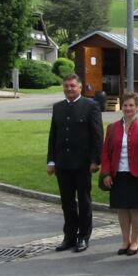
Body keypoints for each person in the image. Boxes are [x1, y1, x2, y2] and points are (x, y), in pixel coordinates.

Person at [47, 74, 103, 253]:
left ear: (80, 87)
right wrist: (51, 160)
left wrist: (95, 160)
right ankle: (69, 236)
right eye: (66, 86)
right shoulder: (58, 107)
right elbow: (53, 135)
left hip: (83, 163)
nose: (69, 89)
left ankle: (84, 236)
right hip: (62, 162)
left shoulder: (90, 106)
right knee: (67, 202)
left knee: (84, 201)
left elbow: (97, 135)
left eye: (72, 86)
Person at [100, 92, 138, 256]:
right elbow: (105, 153)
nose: (128, 108)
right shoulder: (112, 128)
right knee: (122, 208)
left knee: (136, 209)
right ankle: (125, 240)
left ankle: (135, 240)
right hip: (118, 174)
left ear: (137, 108)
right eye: (125, 105)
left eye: (131, 105)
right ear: (121, 107)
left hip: (137, 175)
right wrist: (106, 173)